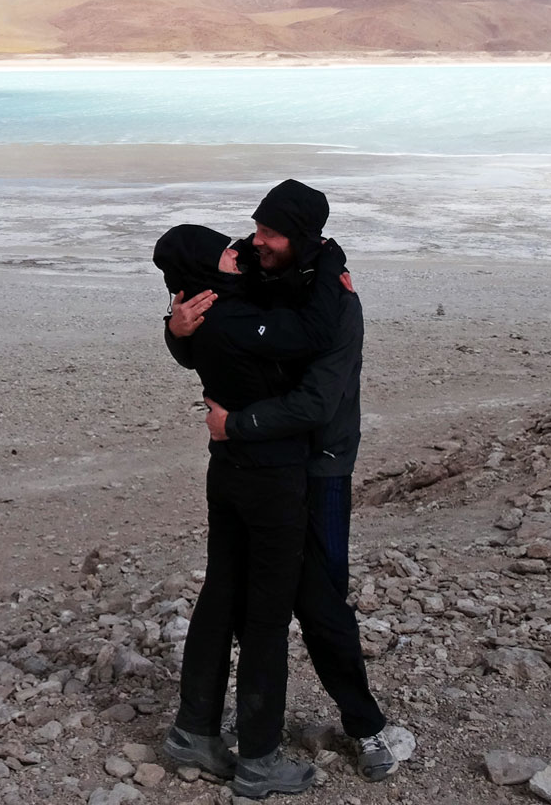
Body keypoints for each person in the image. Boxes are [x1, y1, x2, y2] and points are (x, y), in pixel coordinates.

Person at [173, 180, 399, 783]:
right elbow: (220, 337)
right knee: (241, 598)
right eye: (256, 227)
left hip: (319, 465)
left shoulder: (339, 306)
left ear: (303, 241)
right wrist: (176, 328)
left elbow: (317, 402)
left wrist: (235, 424)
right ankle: (237, 739)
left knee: (320, 601)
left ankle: (366, 726)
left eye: (270, 233)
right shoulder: (263, 275)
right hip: (262, 468)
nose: (255, 240)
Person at [151, 224, 321, 799]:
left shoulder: (203, 313)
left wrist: (174, 332)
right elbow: (307, 335)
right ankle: (259, 758)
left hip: (227, 473)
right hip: (266, 477)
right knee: (267, 617)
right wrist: (330, 274)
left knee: (221, 597)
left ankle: (192, 732)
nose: (239, 251)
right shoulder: (232, 318)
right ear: (200, 268)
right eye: (222, 249)